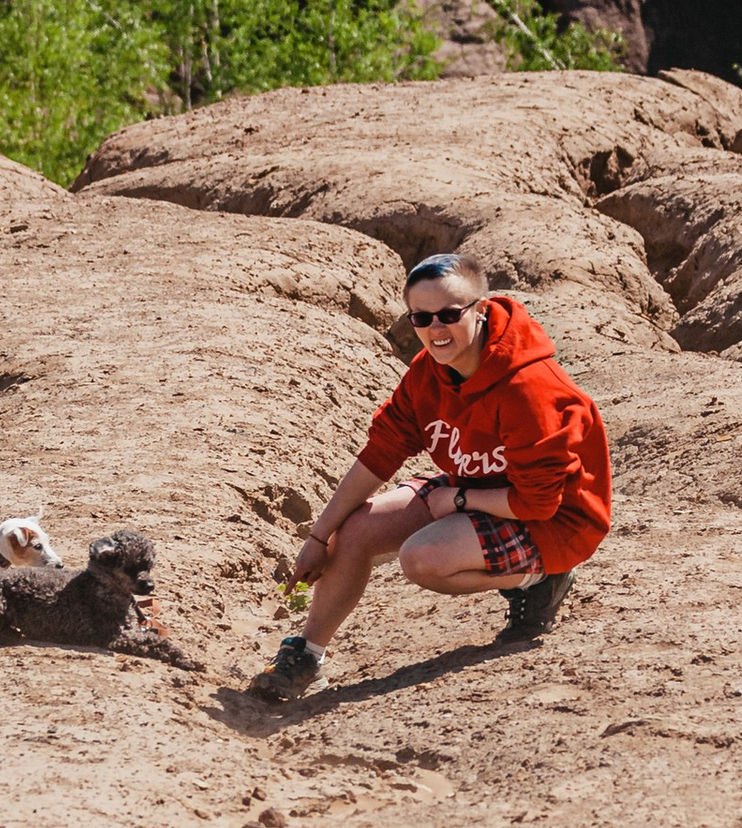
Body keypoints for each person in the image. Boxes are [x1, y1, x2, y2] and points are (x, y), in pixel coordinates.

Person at [259, 249, 612, 702]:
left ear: (480, 311)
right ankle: (306, 655)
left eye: (448, 314)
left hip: (556, 522)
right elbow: (379, 455)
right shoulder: (428, 374)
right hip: (482, 490)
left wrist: (461, 502)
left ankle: (540, 580)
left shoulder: (529, 389)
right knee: (355, 530)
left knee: (422, 559)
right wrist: (318, 536)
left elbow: (539, 502)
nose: (435, 329)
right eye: (421, 318)